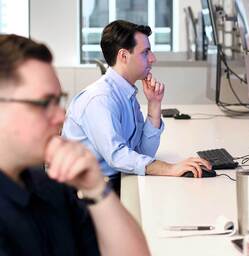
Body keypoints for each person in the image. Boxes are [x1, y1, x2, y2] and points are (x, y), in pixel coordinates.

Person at [0, 34, 150, 256]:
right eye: (44, 103)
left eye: (58, 100)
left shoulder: (49, 187)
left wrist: (96, 189)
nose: (61, 116)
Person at [62, 20, 211, 191]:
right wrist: (170, 168)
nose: (153, 58)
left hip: (113, 182)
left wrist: (154, 105)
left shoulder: (126, 93)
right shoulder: (100, 99)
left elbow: (142, 153)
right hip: (85, 195)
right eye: (145, 52)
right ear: (124, 56)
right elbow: (117, 156)